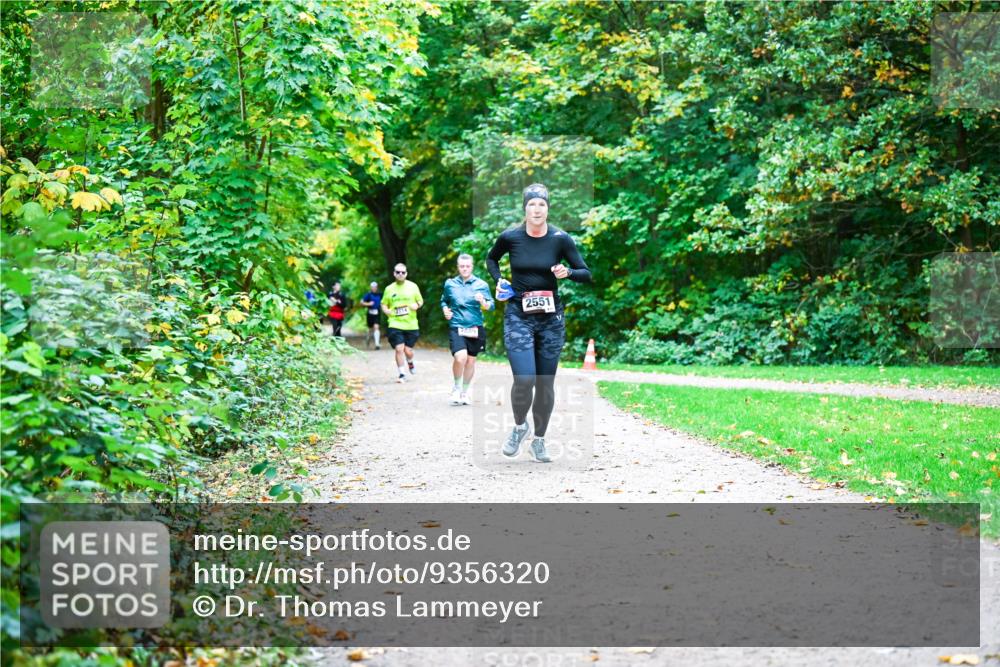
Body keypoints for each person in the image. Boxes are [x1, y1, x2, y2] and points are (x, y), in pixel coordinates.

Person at [486, 183, 591, 463]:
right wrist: (500, 281)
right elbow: (491, 259)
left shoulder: (560, 238)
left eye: (541, 204)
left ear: (547, 208)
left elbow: (586, 273)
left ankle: (539, 441)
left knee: (545, 383)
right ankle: (520, 427)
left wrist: (567, 272)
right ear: (525, 208)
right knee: (524, 379)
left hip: (550, 319)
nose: (536, 209)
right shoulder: (510, 237)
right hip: (518, 315)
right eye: (532, 204)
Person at [441, 253, 495, 405]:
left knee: (470, 362)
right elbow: (444, 300)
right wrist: (445, 309)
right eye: (462, 266)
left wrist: (483, 302)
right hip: (457, 325)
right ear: (458, 267)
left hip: (475, 328)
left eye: (467, 266)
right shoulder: (450, 284)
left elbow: (491, 305)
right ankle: (456, 388)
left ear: (472, 267)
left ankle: (465, 392)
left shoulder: (481, 285)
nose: (465, 269)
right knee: (460, 357)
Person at [381, 263, 423, 383]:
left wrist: (417, 305)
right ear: (394, 273)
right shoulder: (389, 289)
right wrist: (386, 310)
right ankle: (402, 374)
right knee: (399, 349)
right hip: (395, 323)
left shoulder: (413, 286)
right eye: (398, 272)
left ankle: (410, 362)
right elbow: (384, 303)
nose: (400, 274)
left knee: (408, 351)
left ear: (406, 274)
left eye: (403, 272)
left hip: (411, 324)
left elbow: (420, 301)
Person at [360, 281, 383, 349]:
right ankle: (368, 338)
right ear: (371, 287)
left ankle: (377, 344)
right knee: (370, 329)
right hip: (370, 313)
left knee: (376, 327)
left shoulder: (380, 294)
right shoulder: (368, 295)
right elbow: (361, 302)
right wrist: (368, 304)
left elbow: (384, 302)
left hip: (377, 313)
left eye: (375, 287)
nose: (374, 288)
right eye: (372, 287)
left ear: (377, 287)